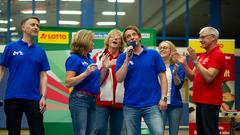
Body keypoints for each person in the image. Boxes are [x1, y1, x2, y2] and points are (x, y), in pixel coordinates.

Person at [0, 16, 50, 135]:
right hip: (12, 97)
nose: (36, 27)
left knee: (38, 132)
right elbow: (1, 70)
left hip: (34, 99)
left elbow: (43, 76)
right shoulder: (10, 48)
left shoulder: (40, 51)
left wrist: (43, 97)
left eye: (38, 25)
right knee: (13, 132)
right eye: (32, 24)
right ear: (23, 28)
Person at [115, 25, 168, 135]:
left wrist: (164, 98)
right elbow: (119, 79)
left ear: (139, 37)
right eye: (128, 36)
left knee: (158, 132)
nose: (132, 37)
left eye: (134, 34)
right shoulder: (122, 57)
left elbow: (163, 77)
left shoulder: (153, 54)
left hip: (152, 103)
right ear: (126, 41)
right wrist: (127, 60)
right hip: (131, 105)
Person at [174, 26, 225, 135]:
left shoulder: (217, 54)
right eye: (199, 37)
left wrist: (195, 60)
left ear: (212, 37)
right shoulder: (202, 55)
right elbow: (192, 76)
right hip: (200, 100)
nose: (200, 40)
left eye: (203, 37)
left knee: (209, 132)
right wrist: (184, 63)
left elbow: (209, 77)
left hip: (210, 101)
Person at [65, 29, 108, 135]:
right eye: (91, 41)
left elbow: (97, 81)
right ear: (84, 41)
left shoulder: (90, 60)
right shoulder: (74, 59)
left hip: (93, 99)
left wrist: (105, 68)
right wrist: (85, 73)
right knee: (81, 132)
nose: (93, 43)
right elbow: (68, 82)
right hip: (80, 99)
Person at [92, 29, 125, 135]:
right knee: (99, 130)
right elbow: (94, 80)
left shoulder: (125, 58)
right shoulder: (98, 56)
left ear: (121, 43)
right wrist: (105, 67)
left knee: (116, 132)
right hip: (101, 102)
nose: (115, 38)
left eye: (118, 37)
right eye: (112, 36)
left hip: (121, 102)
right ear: (107, 40)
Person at [158, 41, 185, 135]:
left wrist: (175, 74)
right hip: (158, 104)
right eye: (160, 47)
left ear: (171, 50)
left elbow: (179, 85)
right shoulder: (155, 66)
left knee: (174, 133)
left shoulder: (178, 66)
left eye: (165, 47)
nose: (162, 49)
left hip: (175, 105)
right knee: (158, 132)